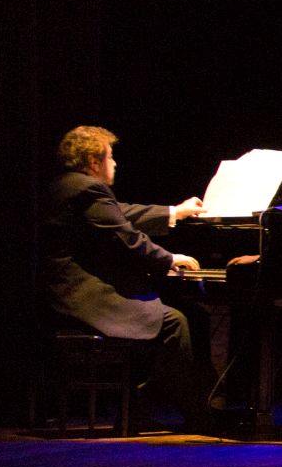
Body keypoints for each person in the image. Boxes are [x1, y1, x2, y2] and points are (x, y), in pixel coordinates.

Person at [40, 125, 211, 430]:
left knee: (165, 314)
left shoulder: (67, 185)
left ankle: (137, 408)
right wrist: (170, 259)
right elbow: (126, 236)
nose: (115, 163)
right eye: (111, 156)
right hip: (83, 298)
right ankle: (194, 413)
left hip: (65, 293)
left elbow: (119, 213)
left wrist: (176, 211)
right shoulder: (87, 189)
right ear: (94, 161)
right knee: (173, 322)